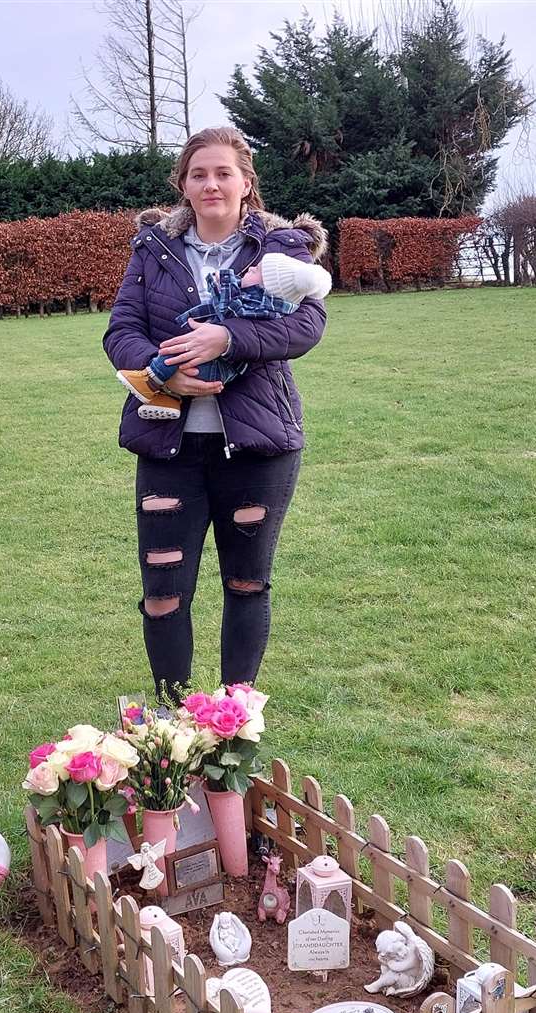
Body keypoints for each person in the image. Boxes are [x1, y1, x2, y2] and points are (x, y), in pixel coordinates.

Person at [103, 126, 329, 698]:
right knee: (162, 592)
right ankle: (173, 733)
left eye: (223, 172)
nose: (211, 184)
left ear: (246, 182)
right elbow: (121, 331)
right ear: (182, 184)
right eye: (198, 174)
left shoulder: (281, 249)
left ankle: (232, 728)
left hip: (258, 448)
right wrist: (163, 370)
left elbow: (308, 325)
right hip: (168, 447)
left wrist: (227, 338)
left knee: (248, 584)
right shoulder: (153, 250)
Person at [114, 253, 332, 421]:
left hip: (224, 377)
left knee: (179, 351)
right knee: (185, 352)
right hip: (215, 377)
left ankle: (150, 379)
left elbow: (230, 309)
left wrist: (227, 335)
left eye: (256, 271)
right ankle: (169, 399)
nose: (251, 269)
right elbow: (122, 327)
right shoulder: (151, 243)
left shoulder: (260, 302)